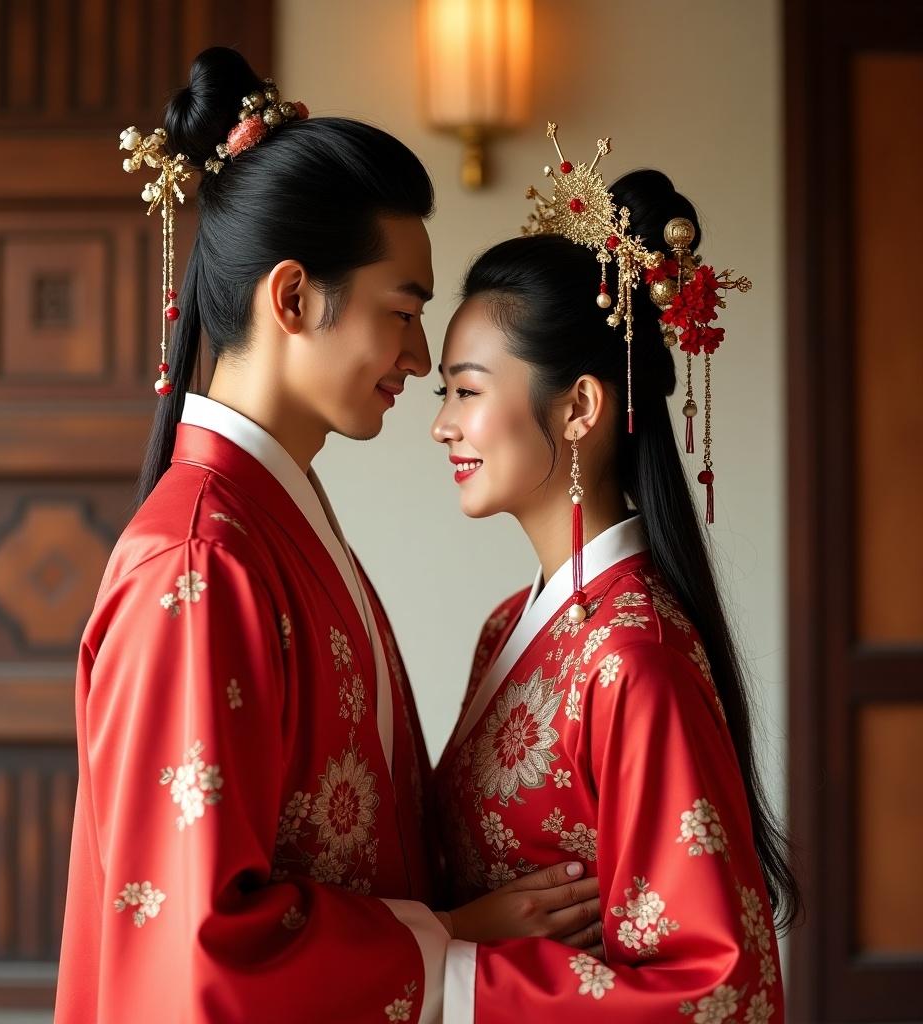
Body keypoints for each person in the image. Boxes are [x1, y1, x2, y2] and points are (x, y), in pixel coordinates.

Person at [54, 49, 601, 1024]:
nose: (420, 358)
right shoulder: (199, 563)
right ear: (293, 296)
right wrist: (455, 943)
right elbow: (200, 943)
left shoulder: (268, 525)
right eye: (403, 311)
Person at [428, 138, 800, 1019]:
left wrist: (461, 971)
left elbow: (715, 987)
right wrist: (453, 935)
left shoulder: (633, 657)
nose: (442, 425)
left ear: (581, 406)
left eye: (466, 392)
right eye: (443, 393)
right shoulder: (509, 625)